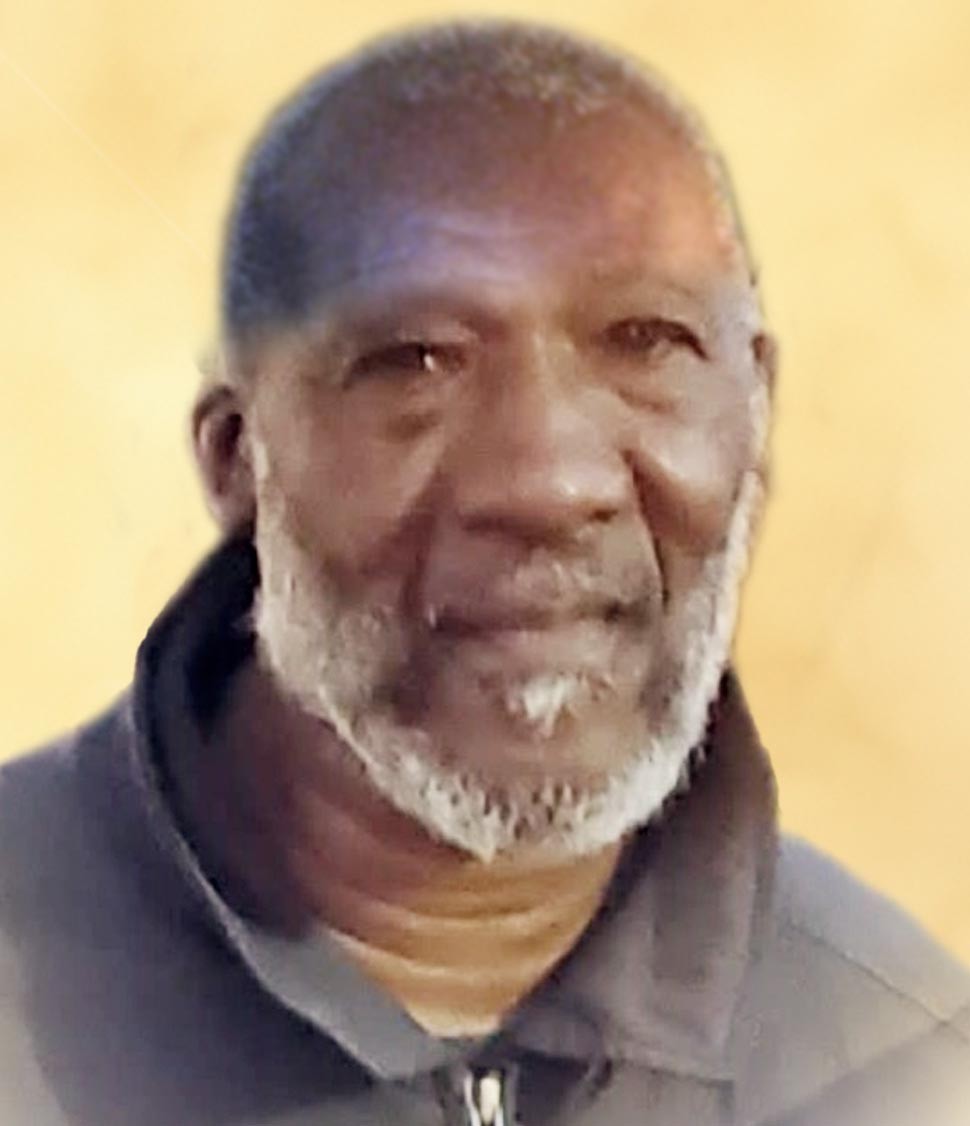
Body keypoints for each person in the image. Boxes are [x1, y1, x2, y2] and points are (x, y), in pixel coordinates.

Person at [1, 20, 967, 1126]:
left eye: (646, 341)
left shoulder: (900, 1056)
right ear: (237, 459)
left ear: (754, 408)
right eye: (415, 361)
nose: (548, 481)